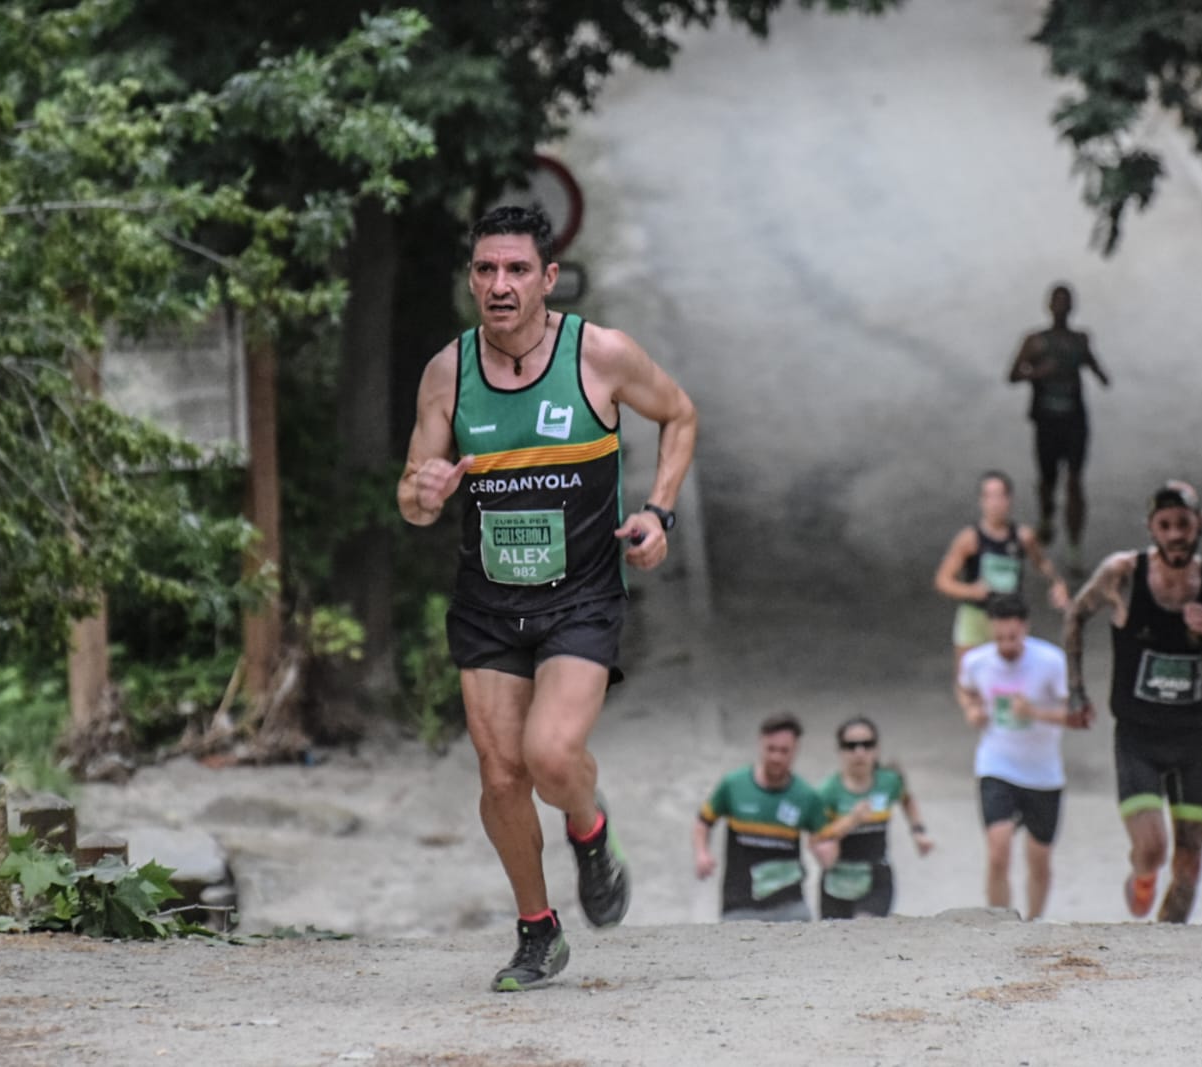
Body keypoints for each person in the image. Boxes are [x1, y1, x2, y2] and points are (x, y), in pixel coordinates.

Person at [398, 204, 698, 991]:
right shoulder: (447, 372)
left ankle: (590, 828)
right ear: (472, 279)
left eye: (517, 270)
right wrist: (423, 489)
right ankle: (539, 930)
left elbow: (680, 415)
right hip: (489, 601)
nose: (501, 285)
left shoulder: (599, 355)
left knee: (550, 754)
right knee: (500, 778)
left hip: (582, 596)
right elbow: (414, 496)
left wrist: (659, 512)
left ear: (548, 278)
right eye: (487, 270)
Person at [1061, 481, 1202, 923]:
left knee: (1189, 864)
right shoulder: (1122, 574)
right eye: (1165, 525)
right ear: (1151, 529)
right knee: (1152, 849)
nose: (1176, 534)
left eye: (1183, 523)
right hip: (1138, 737)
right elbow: (1075, 615)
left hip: (1193, 738)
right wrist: (1076, 691)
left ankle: (1164, 952)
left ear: (1198, 524)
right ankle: (1141, 876)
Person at [955, 595, 1083, 920]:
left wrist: (1035, 712)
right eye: (999, 638)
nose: (1006, 645)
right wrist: (971, 709)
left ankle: (1034, 923)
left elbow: (1078, 715)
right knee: (998, 850)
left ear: (1025, 628)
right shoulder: (977, 661)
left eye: (1013, 637)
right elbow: (964, 686)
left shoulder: (1051, 661)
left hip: (1043, 773)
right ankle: (1000, 922)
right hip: (996, 764)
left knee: (1039, 859)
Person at [694, 714, 837, 922]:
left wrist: (823, 850)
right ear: (761, 745)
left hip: (790, 907)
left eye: (784, 751)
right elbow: (703, 822)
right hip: (739, 906)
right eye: (771, 749)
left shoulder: (806, 796)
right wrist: (702, 853)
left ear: (795, 750)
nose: (776, 757)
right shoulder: (734, 785)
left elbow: (828, 850)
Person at [1007, 283, 1110, 571]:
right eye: (1057, 301)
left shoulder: (1080, 341)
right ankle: (1046, 515)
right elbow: (1013, 374)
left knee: (1075, 481)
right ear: (1049, 306)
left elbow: (1093, 364)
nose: (1062, 307)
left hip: (1075, 421)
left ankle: (1075, 546)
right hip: (1047, 421)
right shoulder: (1035, 341)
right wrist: (1038, 373)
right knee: (1047, 480)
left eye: (1066, 302)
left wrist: (1101, 374)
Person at [934, 470, 1070, 664]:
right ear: (981, 501)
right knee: (969, 674)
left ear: (1009, 499)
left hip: (1009, 617)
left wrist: (1057, 583)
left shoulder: (1023, 537)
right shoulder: (970, 539)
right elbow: (943, 580)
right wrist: (970, 591)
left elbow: (1042, 563)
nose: (995, 503)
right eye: (989, 497)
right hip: (976, 615)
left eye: (1000, 496)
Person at [814, 717, 934, 920]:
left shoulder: (889, 782)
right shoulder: (828, 792)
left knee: (865, 927)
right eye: (851, 746)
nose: (859, 752)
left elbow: (907, 800)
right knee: (835, 938)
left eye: (866, 745)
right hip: (837, 879)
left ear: (876, 749)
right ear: (840, 751)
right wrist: (851, 821)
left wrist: (918, 832)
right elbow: (818, 836)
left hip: (876, 875)